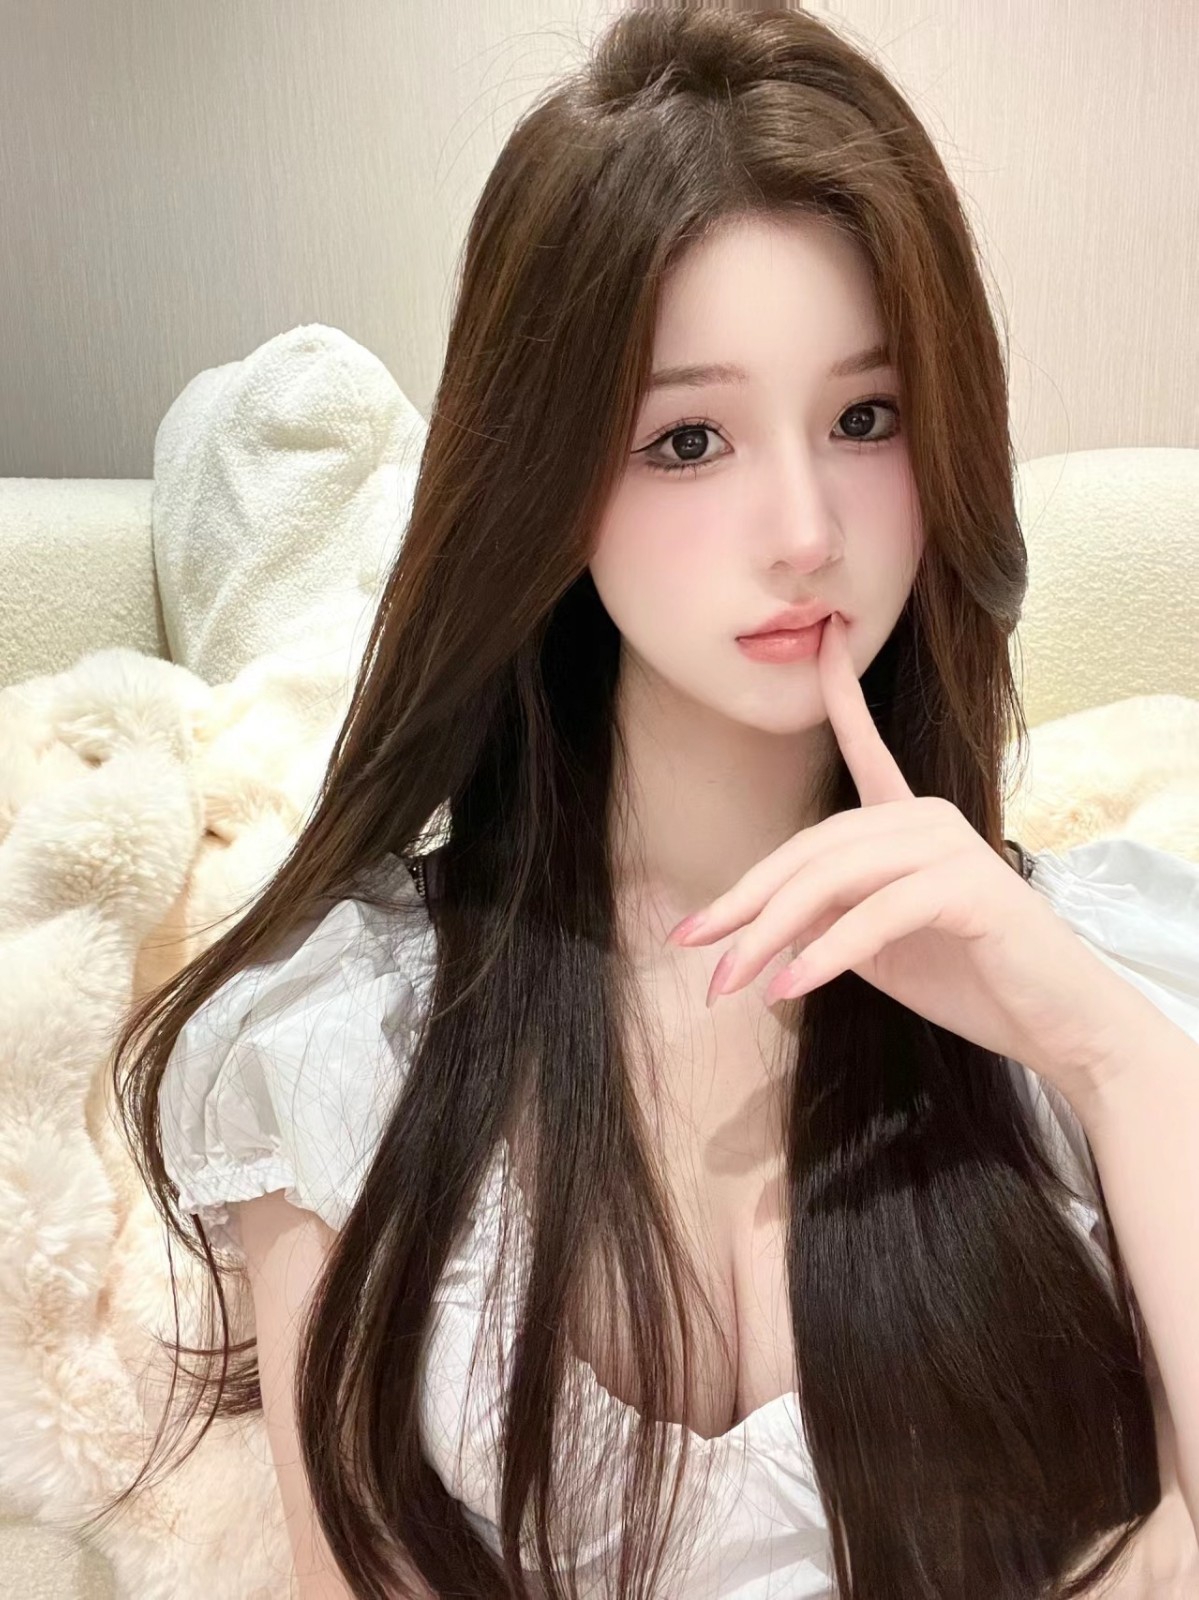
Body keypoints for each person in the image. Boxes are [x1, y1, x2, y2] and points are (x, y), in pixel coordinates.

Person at [95, 6, 1199, 1597]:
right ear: (550, 479)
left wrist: (1109, 1053)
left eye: (866, 418)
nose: (805, 529)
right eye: (690, 439)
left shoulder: (1094, 992)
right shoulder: (354, 1044)